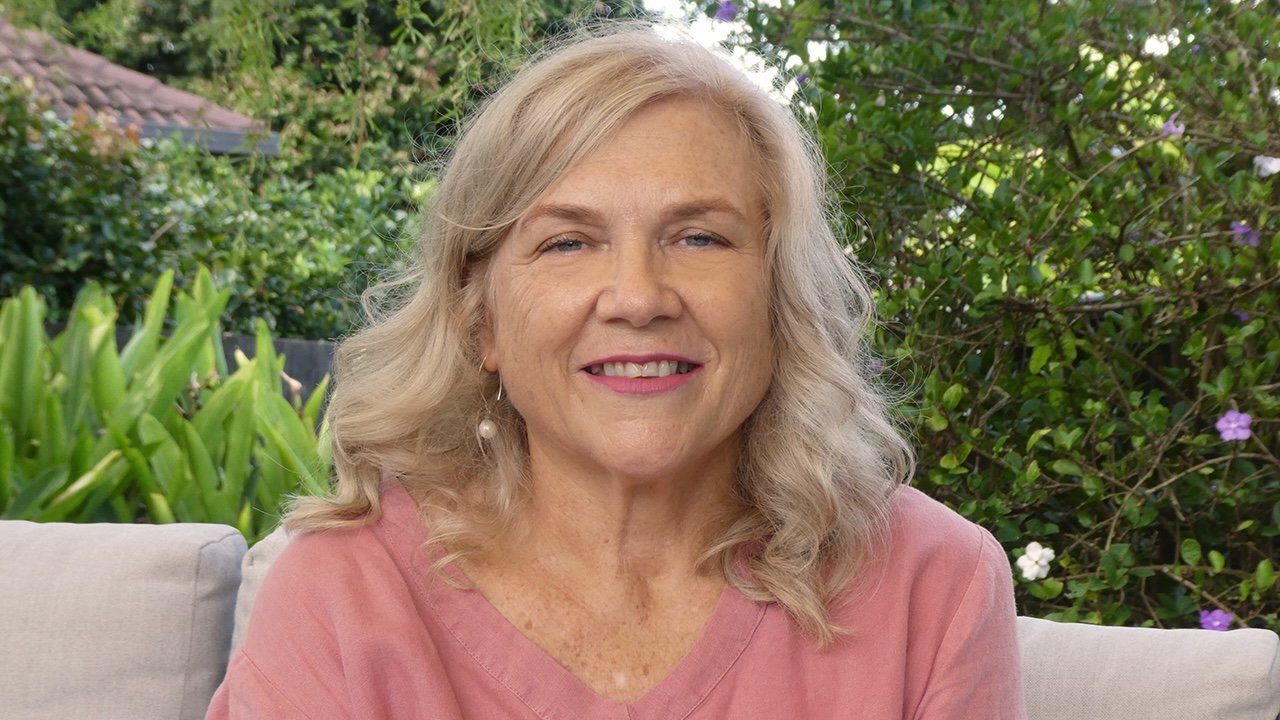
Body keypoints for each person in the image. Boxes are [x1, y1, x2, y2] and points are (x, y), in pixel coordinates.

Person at [207, 23, 1026, 720]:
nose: (638, 297)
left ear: (780, 301)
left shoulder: (934, 585)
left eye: (700, 236)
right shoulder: (346, 593)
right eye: (568, 241)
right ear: (478, 317)